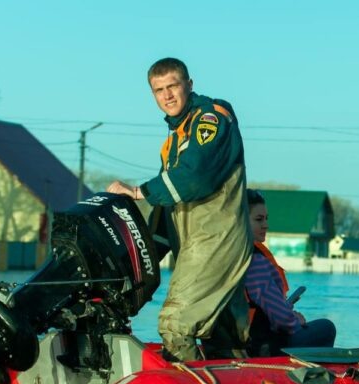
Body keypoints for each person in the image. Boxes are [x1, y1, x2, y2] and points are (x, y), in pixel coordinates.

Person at [107, 57, 252, 361]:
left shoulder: (210, 118)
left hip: (215, 239)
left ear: (189, 85)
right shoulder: (174, 137)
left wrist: (138, 192)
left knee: (175, 325)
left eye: (173, 86)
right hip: (194, 243)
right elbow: (169, 207)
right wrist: (141, 254)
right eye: (159, 90)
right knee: (224, 331)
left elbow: (194, 176)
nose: (167, 95)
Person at [244, 189, 336, 356]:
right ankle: (315, 378)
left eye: (266, 219)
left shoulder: (229, 258)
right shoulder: (254, 262)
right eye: (258, 219)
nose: (266, 225)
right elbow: (281, 320)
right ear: (240, 220)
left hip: (241, 340)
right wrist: (295, 321)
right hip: (261, 346)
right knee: (326, 327)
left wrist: (286, 310)